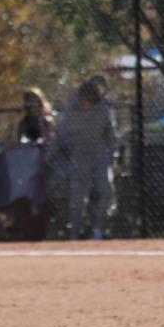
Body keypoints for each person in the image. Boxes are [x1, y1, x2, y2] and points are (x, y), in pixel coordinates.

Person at [58, 77, 118, 240]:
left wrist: (114, 158)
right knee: (77, 195)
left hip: (100, 155)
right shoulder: (72, 108)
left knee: (105, 189)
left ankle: (98, 230)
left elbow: (112, 136)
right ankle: (74, 233)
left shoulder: (103, 109)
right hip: (79, 155)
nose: (88, 105)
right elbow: (61, 134)